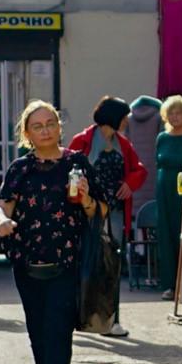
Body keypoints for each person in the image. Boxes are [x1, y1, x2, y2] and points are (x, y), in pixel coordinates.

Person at [0, 102, 126, 364]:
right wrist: (3, 221)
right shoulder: (20, 169)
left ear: (59, 127)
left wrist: (86, 202)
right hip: (28, 263)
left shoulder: (76, 163)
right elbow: (0, 205)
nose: (46, 130)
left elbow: (103, 207)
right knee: (38, 334)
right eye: (38, 126)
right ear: (27, 134)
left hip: (68, 262)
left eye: (51, 123)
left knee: (59, 332)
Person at [67, 97, 145, 337]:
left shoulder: (123, 143)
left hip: (116, 211)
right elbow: (69, 171)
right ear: (114, 117)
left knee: (113, 264)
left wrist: (130, 184)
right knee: (84, 263)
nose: (126, 121)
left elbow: (139, 169)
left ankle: (111, 320)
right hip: (86, 210)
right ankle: (78, 317)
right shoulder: (82, 140)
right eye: (123, 117)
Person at [152, 97, 182, 294]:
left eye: (178, 113)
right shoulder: (162, 138)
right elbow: (158, 163)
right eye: (171, 113)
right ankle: (168, 284)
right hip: (164, 191)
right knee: (165, 235)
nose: (174, 117)